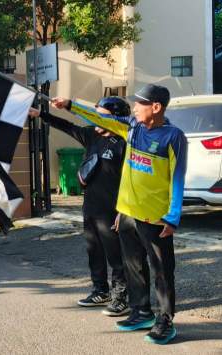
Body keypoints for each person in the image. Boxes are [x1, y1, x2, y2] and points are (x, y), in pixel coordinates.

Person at [50, 84, 188, 345]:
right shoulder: (132, 128)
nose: (134, 107)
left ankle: (165, 320)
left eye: (140, 103)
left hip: (155, 218)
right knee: (133, 266)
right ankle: (141, 312)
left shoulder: (174, 137)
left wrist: (173, 216)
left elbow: (178, 178)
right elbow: (101, 118)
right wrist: (69, 104)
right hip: (127, 213)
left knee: (161, 270)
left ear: (156, 107)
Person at [30, 97, 131, 316]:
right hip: (91, 206)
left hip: (113, 209)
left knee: (115, 254)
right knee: (93, 249)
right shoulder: (91, 135)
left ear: (114, 117)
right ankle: (99, 290)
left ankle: (121, 296)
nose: (95, 117)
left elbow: (130, 180)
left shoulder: (124, 140)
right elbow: (67, 126)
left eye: (100, 113)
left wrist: (124, 210)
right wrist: (41, 115)